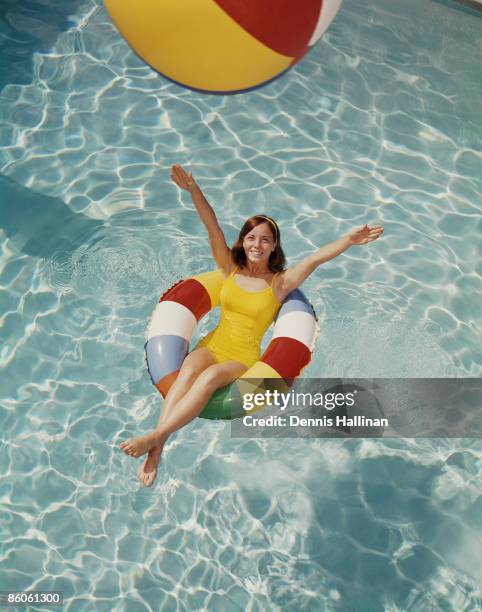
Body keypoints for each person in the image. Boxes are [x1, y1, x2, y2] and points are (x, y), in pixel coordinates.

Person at [120, 164, 384, 486]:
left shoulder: (280, 283)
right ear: (243, 242)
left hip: (241, 358)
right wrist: (193, 190)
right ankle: (156, 449)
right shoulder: (230, 270)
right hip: (212, 345)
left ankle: (155, 440)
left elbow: (314, 259)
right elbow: (213, 228)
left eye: (265, 239)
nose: (257, 244)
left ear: (274, 246)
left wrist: (348, 240)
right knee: (189, 370)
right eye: (251, 237)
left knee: (212, 377)